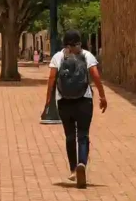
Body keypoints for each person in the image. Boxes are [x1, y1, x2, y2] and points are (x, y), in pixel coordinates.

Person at [44, 29, 107, 189]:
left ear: (64, 42)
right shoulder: (86, 55)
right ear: (79, 41)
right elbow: (95, 74)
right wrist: (102, 95)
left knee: (70, 136)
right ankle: (82, 164)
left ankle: (73, 170)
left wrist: (48, 101)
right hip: (84, 100)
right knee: (83, 135)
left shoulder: (58, 57)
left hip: (64, 102)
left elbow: (52, 78)